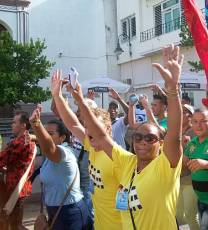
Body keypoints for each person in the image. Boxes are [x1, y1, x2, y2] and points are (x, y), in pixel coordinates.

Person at [69, 44, 184, 229]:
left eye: (150, 138)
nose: (142, 142)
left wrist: (172, 90)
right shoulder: (127, 162)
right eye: (138, 137)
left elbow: (175, 136)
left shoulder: (165, 167)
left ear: (161, 143)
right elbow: (99, 133)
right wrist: (80, 101)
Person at [51, 70, 123, 230]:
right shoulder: (92, 145)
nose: (90, 135)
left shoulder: (119, 156)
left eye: (97, 130)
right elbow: (72, 123)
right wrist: (57, 96)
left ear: (109, 129)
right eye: (88, 130)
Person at [29, 107, 92, 230]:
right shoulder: (48, 157)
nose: (46, 136)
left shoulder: (65, 153)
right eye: (45, 133)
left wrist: (36, 124)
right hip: (55, 211)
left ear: (63, 137)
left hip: (70, 213)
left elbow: (49, 147)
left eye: (50, 134)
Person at [0, 111, 35, 230]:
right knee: (15, 222)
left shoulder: (19, 142)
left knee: (13, 224)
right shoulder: (28, 141)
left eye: (14, 122)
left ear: (23, 125)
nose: (11, 125)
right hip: (20, 188)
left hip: (14, 188)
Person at [176, 103, 200, 230]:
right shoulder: (176, 131)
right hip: (177, 178)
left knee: (191, 215)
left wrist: (190, 145)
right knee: (178, 215)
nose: (181, 113)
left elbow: (199, 155)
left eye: (185, 112)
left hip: (191, 179)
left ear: (190, 116)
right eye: (181, 111)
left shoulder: (195, 132)